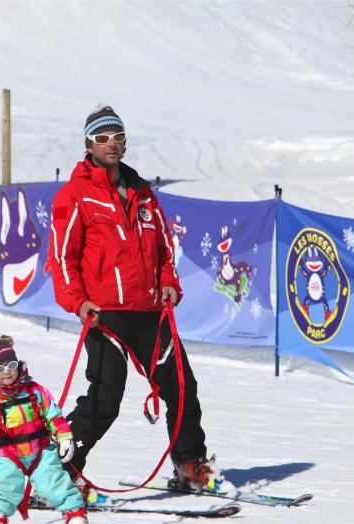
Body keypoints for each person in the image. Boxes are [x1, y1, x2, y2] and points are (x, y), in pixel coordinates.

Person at [48, 105, 229, 500]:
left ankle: (188, 464)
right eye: (102, 138)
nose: (111, 144)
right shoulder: (74, 195)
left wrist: (169, 283)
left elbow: (165, 248)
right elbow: (63, 259)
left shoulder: (143, 192)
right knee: (104, 398)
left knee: (181, 386)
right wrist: (77, 302)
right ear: (88, 145)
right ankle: (62, 472)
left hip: (149, 310)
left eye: (117, 137)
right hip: (105, 313)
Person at [0, 335, 109, 524]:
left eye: (11, 365)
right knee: (6, 489)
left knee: (57, 484)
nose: (7, 373)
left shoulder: (36, 391)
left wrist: (64, 436)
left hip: (40, 451)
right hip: (7, 456)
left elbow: (54, 415)